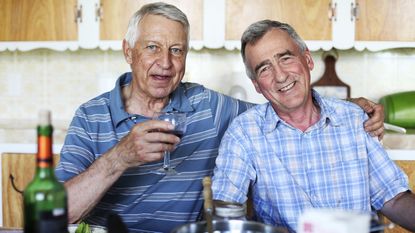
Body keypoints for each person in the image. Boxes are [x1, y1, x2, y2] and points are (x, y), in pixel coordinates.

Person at [55, 3, 385, 233]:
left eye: (176, 50)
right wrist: (120, 157)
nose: (166, 63)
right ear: (129, 51)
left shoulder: (208, 107)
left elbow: (285, 104)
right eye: (152, 48)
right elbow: (53, 215)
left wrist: (347, 108)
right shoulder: (91, 116)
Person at [211, 19, 415, 233]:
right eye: (264, 69)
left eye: (286, 58)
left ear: (307, 60)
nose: (280, 76)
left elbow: (394, 197)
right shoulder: (244, 132)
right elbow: (225, 207)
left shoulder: (353, 118)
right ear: (256, 85)